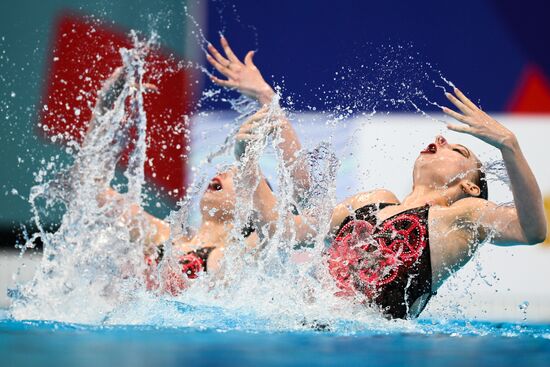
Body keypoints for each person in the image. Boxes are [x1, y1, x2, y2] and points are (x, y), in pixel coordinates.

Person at [207, 37, 547, 319]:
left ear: (469, 186)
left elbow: (530, 230)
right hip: (309, 331)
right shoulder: (371, 201)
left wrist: (509, 145)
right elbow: (281, 229)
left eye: (459, 151)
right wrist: (248, 157)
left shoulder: (462, 216)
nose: (441, 140)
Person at [87, 66, 261, 295]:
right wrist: (105, 106)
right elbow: (92, 188)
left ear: (253, 206)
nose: (222, 173)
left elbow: (281, 226)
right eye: (225, 168)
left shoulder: (241, 253)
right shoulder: (162, 236)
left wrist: (265, 98)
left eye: (237, 177)